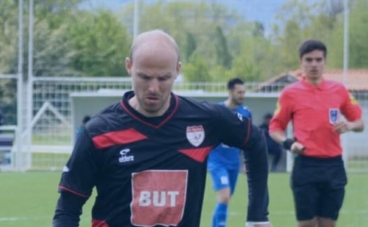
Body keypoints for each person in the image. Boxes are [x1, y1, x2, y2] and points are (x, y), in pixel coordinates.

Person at [53, 30, 272, 227]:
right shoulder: (99, 132)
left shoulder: (205, 120)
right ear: (129, 66)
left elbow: (255, 139)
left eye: (164, 78)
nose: (154, 88)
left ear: (177, 70)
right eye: (145, 77)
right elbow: (67, 209)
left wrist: (258, 216)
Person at [269, 39, 364, 227]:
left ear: (325, 62)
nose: (314, 64)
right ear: (301, 62)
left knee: (328, 224)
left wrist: (349, 126)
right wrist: (290, 144)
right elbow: (275, 128)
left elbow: (360, 122)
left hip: (333, 166)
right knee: (307, 225)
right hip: (306, 165)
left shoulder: (340, 90)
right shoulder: (290, 93)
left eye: (318, 60)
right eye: (309, 60)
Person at [207, 78, 252, 227]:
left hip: (234, 162)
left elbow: (248, 140)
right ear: (230, 92)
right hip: (217, 161)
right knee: (224, 196)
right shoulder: (218, 111)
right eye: (239, 92)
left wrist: (246, 162)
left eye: (243, 92)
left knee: (225, 198)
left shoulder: (246, 113)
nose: (242, 95)